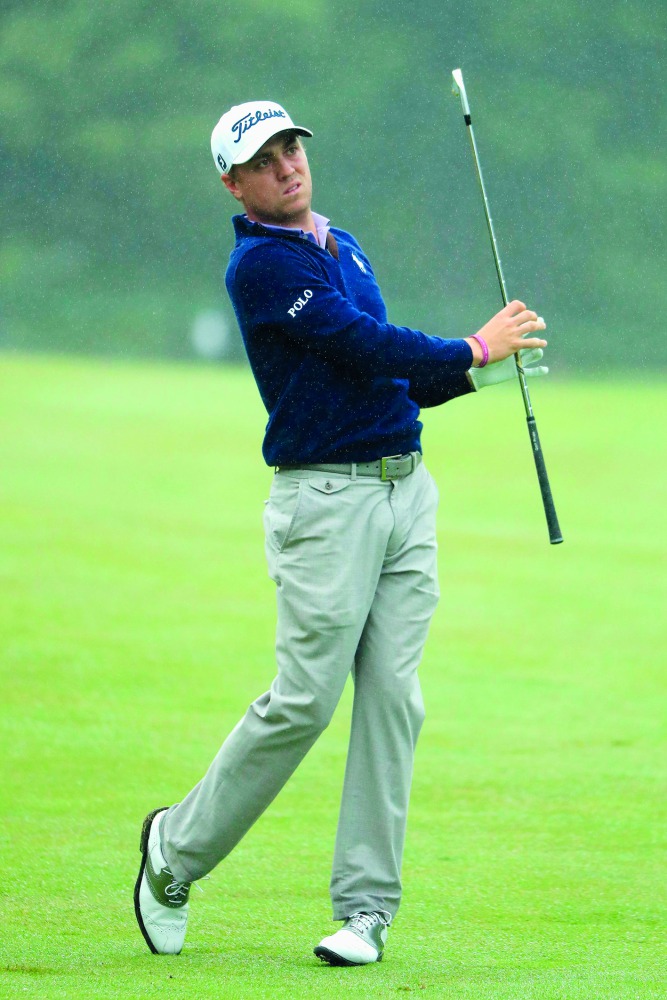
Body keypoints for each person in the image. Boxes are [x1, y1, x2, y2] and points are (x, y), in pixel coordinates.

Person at [133, 100, 548, 966]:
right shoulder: (259, 266)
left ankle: (365, 911)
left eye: (292, 147)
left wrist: (474, 369)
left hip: (406, 495)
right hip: (324, 505)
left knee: (395, 701)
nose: (287, 164)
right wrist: (472, 346)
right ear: (233, 183)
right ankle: (173, 850)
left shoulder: (342, 244)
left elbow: (397, 378)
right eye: (265, 157)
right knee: (306, 702)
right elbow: (357, 343)